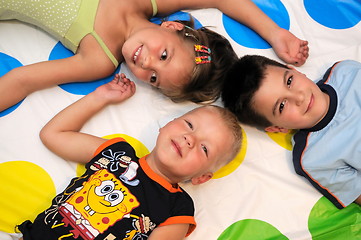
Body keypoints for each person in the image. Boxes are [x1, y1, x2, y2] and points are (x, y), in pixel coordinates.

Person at [16, 74, 243, 240]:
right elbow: (53, 135)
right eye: (189, 125)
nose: (189, 139)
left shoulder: (178, 208)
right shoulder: (117, 154)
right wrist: (100, 97)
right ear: (167, 125)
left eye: (204, 148)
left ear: (201, 178)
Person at [0, 0, 308, 111]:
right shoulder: (149, 2)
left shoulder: (100, 58)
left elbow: (21, 80)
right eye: (164, 55)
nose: (145, 63)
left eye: (154, 78)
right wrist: (276, 34)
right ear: (173, 26)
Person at [221, 54, 361, 209]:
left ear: (295, 70)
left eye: (289, 81)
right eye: (281, 106)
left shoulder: (346, 72)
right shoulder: (313, 159)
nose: (299, 97)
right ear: (278, 128)